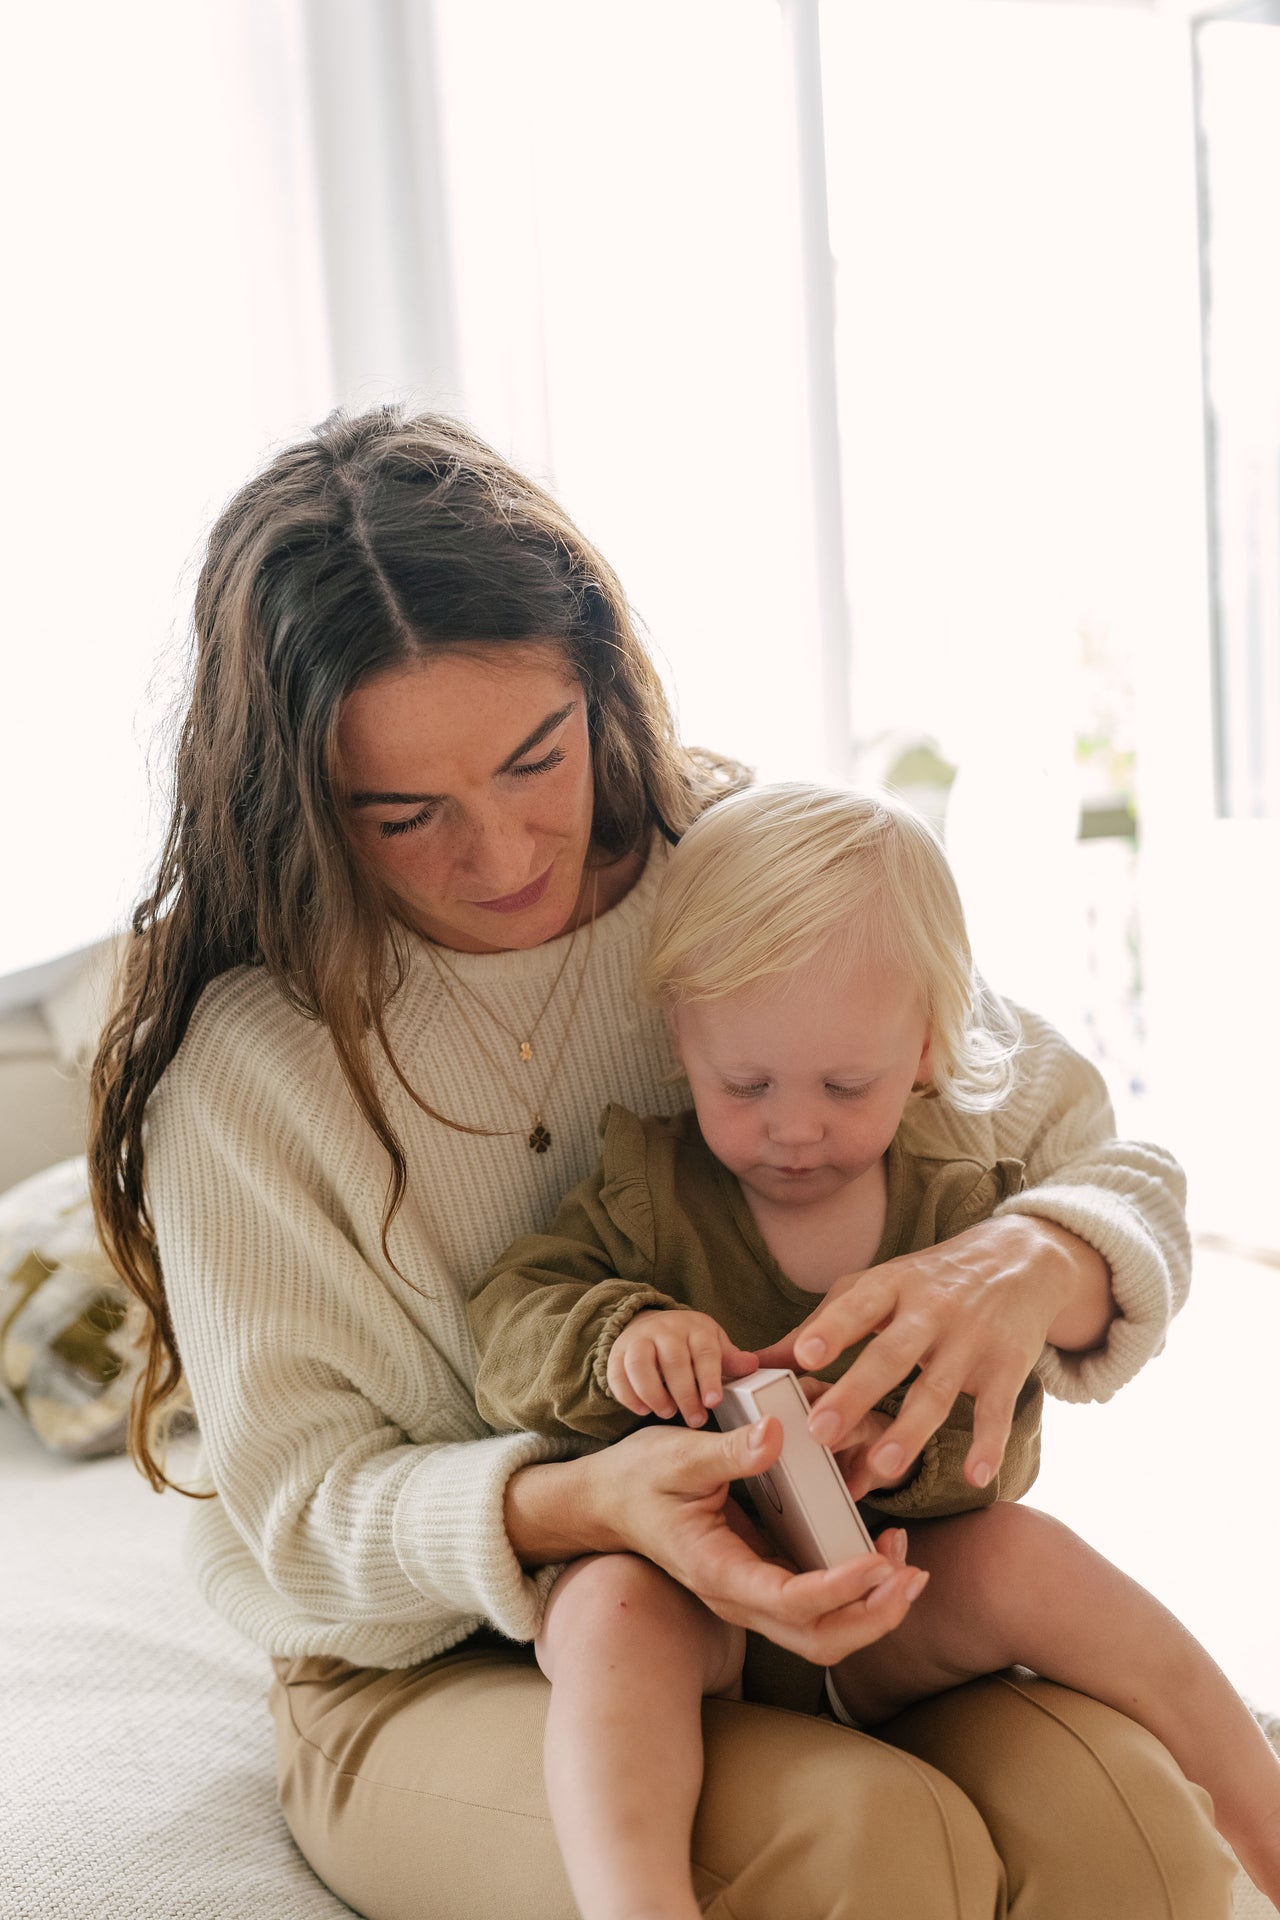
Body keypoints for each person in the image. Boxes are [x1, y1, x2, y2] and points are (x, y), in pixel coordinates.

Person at [88, 405, 1236, 1920]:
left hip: (830, 1590)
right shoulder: (256, 1067)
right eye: (404, 815)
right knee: (864, 1846)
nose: (499, 857)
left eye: (533, 760)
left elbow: (1099, 1154)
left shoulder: (730, 871)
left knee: (1133, 1827)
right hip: (449, 1659)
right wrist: (592, 1504)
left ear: (597, 689)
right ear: (304, 804)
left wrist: (1039, 1256)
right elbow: (304, 1524)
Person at [469, 781, 1280, 1920]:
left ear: (927, 1052)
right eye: (740, 1084)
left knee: (1039, 1558)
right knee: (605, 1612)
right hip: (693, 1594)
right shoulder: (646, 1192)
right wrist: (618, 1337)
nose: (790, 1127)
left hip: (899, 1588)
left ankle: (1264, 1820)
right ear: (678, 1041)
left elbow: (997, 1437)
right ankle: (637, 1903)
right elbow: (505, 1316)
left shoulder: (965, 1211)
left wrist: (903, 1423)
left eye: (843, 1086)